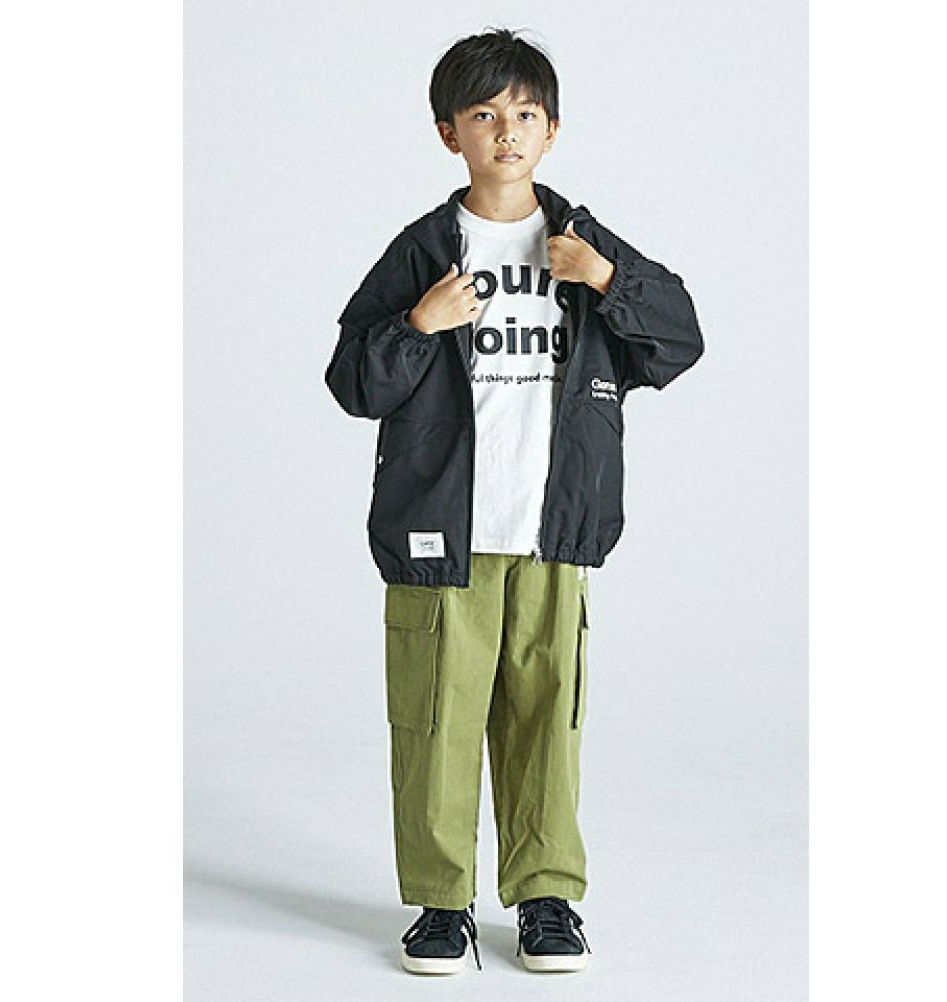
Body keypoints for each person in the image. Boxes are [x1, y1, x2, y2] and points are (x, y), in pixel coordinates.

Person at [325, 27, 704, 975]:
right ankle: (441, 904)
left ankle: (546, 899)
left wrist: (606, 278)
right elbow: (353, 381)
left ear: (552, 130)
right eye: (485, 113)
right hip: (440, 534)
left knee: (547, 722)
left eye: (525, 113)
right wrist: (420, 324)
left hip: (552, 532)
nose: (506, 130)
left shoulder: (582, 243)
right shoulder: (423, 250)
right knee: (435, 724)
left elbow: (678, 339)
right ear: (448, 133)